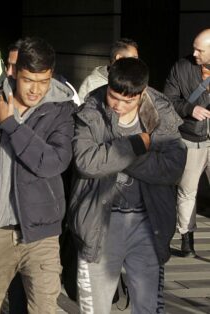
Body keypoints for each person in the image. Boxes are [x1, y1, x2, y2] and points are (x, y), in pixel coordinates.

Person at [69, 57, 187, 314]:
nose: (119, 106)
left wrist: (114, 158)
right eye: (114, 97)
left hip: (148, 222)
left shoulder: (161, 112)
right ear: (107, 84)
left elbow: (173, 167)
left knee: (148, 307)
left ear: (142, 93)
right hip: (100, 223)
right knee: (94, 309)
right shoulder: (91, 110)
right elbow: (86, 162)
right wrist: (135, 146)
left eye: (128, 100)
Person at [0, 36, 76, 313]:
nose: (35, 89)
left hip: (41, 234)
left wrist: (11, 125)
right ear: (15, 72)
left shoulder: (62, 111)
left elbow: (53, 162)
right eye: (29, 79)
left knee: (44, 307)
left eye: (43, 81)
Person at [164, 28, 210, 257]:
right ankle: (187, 238)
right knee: (187, 189)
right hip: (191, 137)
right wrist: (191, 108)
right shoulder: (181, 68)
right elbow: (168, 101)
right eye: (194, 47)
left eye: (200, 50)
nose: (194, 53)